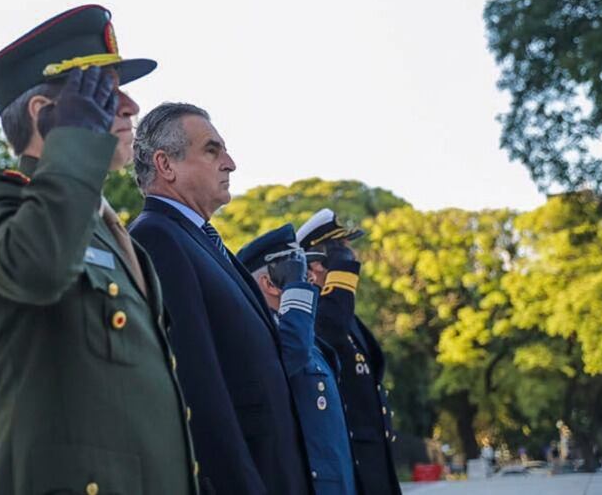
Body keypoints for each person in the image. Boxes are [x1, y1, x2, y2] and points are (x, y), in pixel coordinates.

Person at [0, 5, 199, 495]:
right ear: (44, 115)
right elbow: (40, 268)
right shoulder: (1, 204)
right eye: (104, 94)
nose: (131, 107)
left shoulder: (113, 233)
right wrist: (73, 145)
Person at [128, 103, 311, 495]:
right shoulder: (157, 237)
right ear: (166, 164)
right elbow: (197, 383)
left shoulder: (203, 240)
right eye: (212, 150)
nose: (229, 163)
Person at [237, 224, 359, 495]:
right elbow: (290, 357)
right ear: (269, 283)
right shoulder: (269, 335)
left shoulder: (300, 329)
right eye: (299, 272)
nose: (310, 280)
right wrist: (295, 288)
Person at [299, 207, 403, 495]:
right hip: (350, 461)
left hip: (372, 458)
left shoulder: (343, 311)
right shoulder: (310, 311)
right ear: (316, 263)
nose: (351, 257)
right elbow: (329, 331)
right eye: (340, 250)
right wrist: (342, 274)